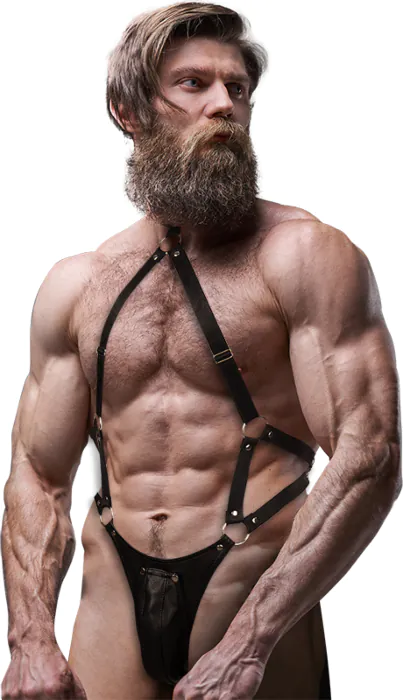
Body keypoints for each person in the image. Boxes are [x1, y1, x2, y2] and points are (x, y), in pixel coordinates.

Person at [1, 3, 401, 699]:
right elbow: (37, 472)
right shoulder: (79, 285)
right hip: (112, 599)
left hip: (251, 595)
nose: (223, 105)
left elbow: (370, 455)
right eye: (193, 84)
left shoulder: (304, 256)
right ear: (129, 111)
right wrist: (30, 638)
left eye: (237, 88)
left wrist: (251, 642)